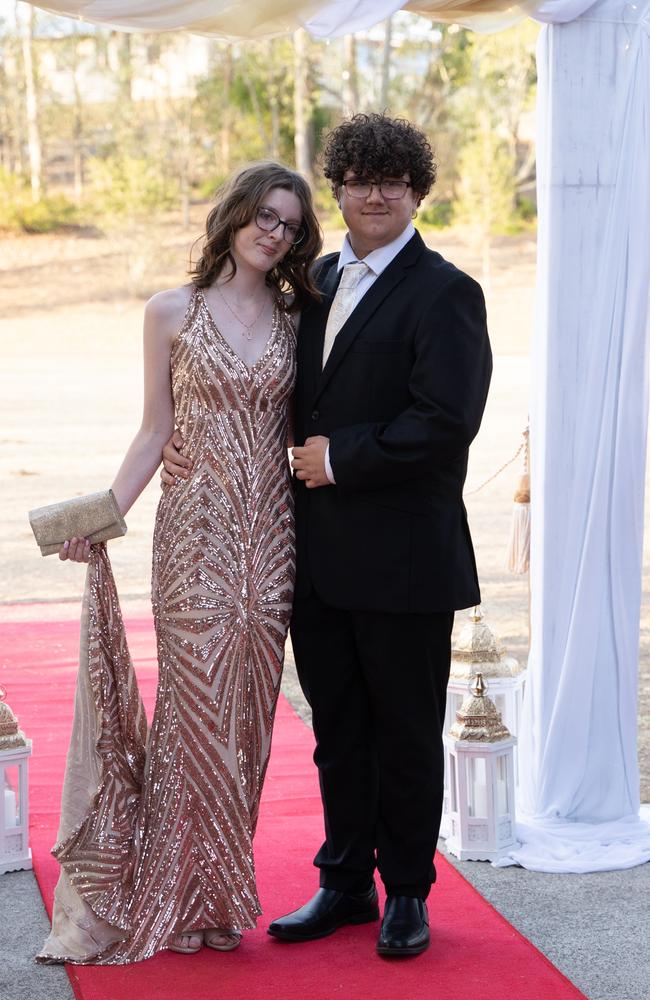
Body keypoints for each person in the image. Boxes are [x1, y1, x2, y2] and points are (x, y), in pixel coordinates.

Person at [162, 113, 492, 958]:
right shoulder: (307, 282)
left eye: (393, 181)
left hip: (407, 561)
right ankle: (344, 882)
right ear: (337, 189)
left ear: (418, 191)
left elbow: (446, 420)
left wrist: (339, 459)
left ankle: (408, 892)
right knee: (339, 733)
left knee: (406, 734)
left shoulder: (447, 290)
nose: (375, 193)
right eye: (358, 179)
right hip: (313, 564)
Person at [37, 161, 322, 965]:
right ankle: (168, 893)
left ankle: (218, 897)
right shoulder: (170, 312)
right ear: (233, 215)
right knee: (194, 718)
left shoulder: (301, 319)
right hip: (192, 539)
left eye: (291, 225)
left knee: (246, 726)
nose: (276, 233)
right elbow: (152, 431)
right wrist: (103, 517)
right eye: (266, 216)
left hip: (269, 544)